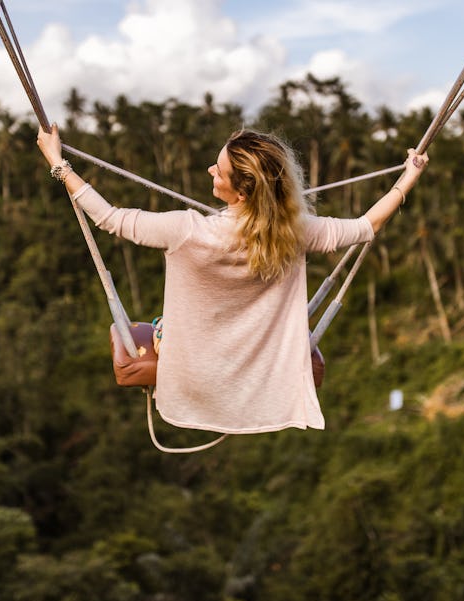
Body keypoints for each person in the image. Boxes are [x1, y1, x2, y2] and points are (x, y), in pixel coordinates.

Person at [37, 124, 427, 435]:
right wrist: (408, 179)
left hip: (193, 368)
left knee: (162, 328)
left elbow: (110, 218)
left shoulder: (188, 231)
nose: (211, 170)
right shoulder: (296, 231)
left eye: (219, 170)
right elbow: (366, 226)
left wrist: (58, 163)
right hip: (259, 360)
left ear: (241, 192)